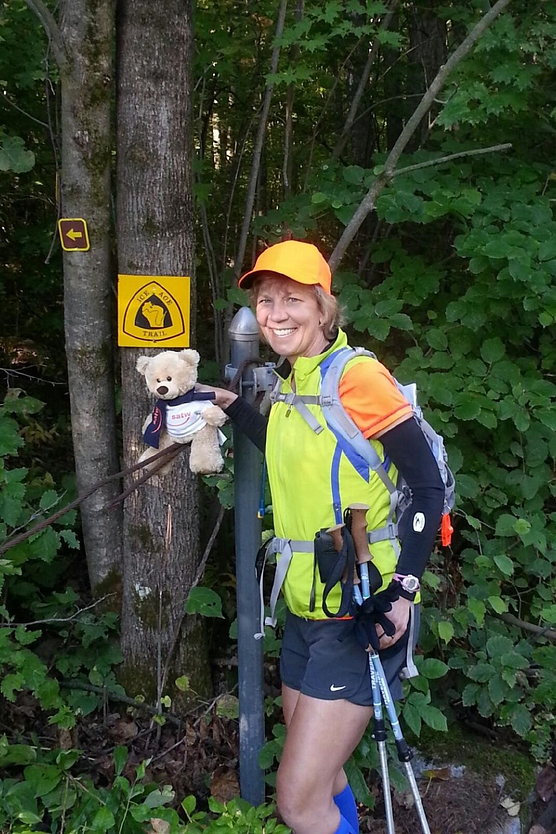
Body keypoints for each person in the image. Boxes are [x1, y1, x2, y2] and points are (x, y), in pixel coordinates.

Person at [198, 240, 444, 834]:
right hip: (307, 610)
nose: (275, 314)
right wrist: (226, 404)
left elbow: (427, 486)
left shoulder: (356, 377)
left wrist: (403, 592)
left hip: (362, 610)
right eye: (265, 301)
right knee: (326, 781)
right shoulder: (292, 382)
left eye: (291, 300)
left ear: (322, 307)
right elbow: (286, 445)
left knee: (297, 802)